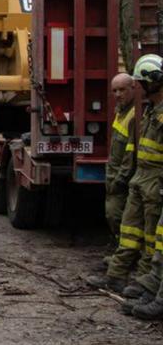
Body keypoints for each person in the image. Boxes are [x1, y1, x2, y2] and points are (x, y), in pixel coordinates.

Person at [89, 54, 163, 297]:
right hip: (141, 178)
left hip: (153, 180)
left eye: (140, 84)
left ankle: (144, 282)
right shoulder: (150, 111)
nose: (138, 88)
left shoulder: (157, 114)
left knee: (151, 236)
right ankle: (116, 277)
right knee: (129, 232)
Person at [103, 74, 137, 264]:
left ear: (133, 88)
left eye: (122, 90)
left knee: (118, 216)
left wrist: (121, 178)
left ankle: (126, 258)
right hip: (114, 173)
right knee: (114, 215)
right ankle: (120, 251)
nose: (117, 94)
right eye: (114, 90)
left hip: (121, 177)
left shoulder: (133, 115)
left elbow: (129, 152)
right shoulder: (122, 111)